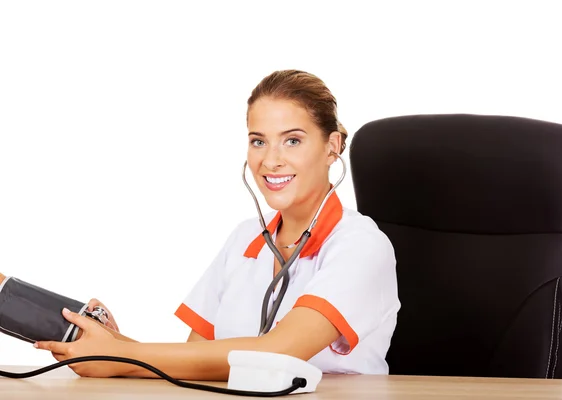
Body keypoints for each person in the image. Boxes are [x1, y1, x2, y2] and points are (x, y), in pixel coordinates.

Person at [20, 70, 400, 380]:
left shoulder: (361, 245)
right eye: (258, 141)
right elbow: (196, 360)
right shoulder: (244, 239)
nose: (270, 161)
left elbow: (279, 352)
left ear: (332, 146)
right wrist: (113, 345)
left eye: (292, 141)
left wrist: (122, 356)